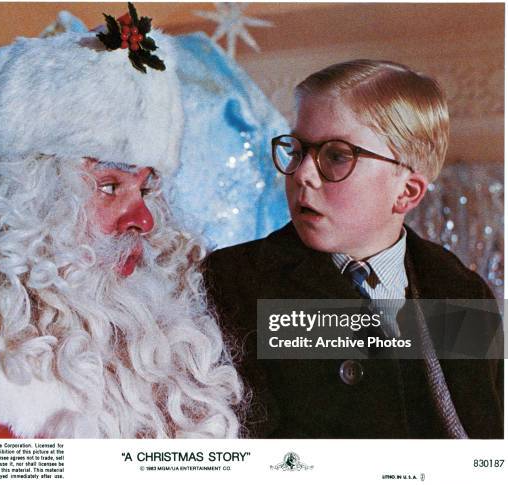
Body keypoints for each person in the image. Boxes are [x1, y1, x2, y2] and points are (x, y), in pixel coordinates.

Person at [0, 9, 243, 439]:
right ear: (13, 202)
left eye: (147, 190)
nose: (144, 220)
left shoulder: (167, 338)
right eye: (109, 186)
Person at [204, 60, 503, 439]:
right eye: (297, 149)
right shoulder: (233, 283)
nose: (302, 174)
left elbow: (484, 438)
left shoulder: (460, 291)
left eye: (336, 156)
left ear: (406, 192)